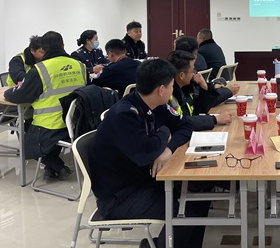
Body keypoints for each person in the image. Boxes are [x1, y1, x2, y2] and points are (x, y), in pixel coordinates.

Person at [89, 58, 209, 248]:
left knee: (200, 197)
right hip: (120, 196)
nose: (172, 90)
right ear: (161, 89)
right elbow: (146, 153)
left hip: (144, 181)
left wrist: (168, 149)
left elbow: (185, 126)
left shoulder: (156, 104)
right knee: (186, 214)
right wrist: (165, 132)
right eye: (171, 86)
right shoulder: (124, 115)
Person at [4, 31, 87, 180]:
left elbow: (20, 95)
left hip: (50, 125)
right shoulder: (80, 65)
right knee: (38, 131)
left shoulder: (42, 69)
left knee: (27, 139)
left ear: (44, 49)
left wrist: (7, 93)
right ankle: (51, 168)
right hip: (75, 122)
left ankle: (58, 166)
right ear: (63, 45)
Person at [166, 50, 232, 131]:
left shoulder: (186, 88)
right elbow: (180, 122)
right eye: (192, 71)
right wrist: (215, 119)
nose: (195, 74)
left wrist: (205, 88)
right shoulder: (167, 95)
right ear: (181, 76)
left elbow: (199, 110)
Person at [175, 35, 240, 99]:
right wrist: (228, 91)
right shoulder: (186, 75)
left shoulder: (183, 69)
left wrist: (211, 86)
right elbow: (202, 101)